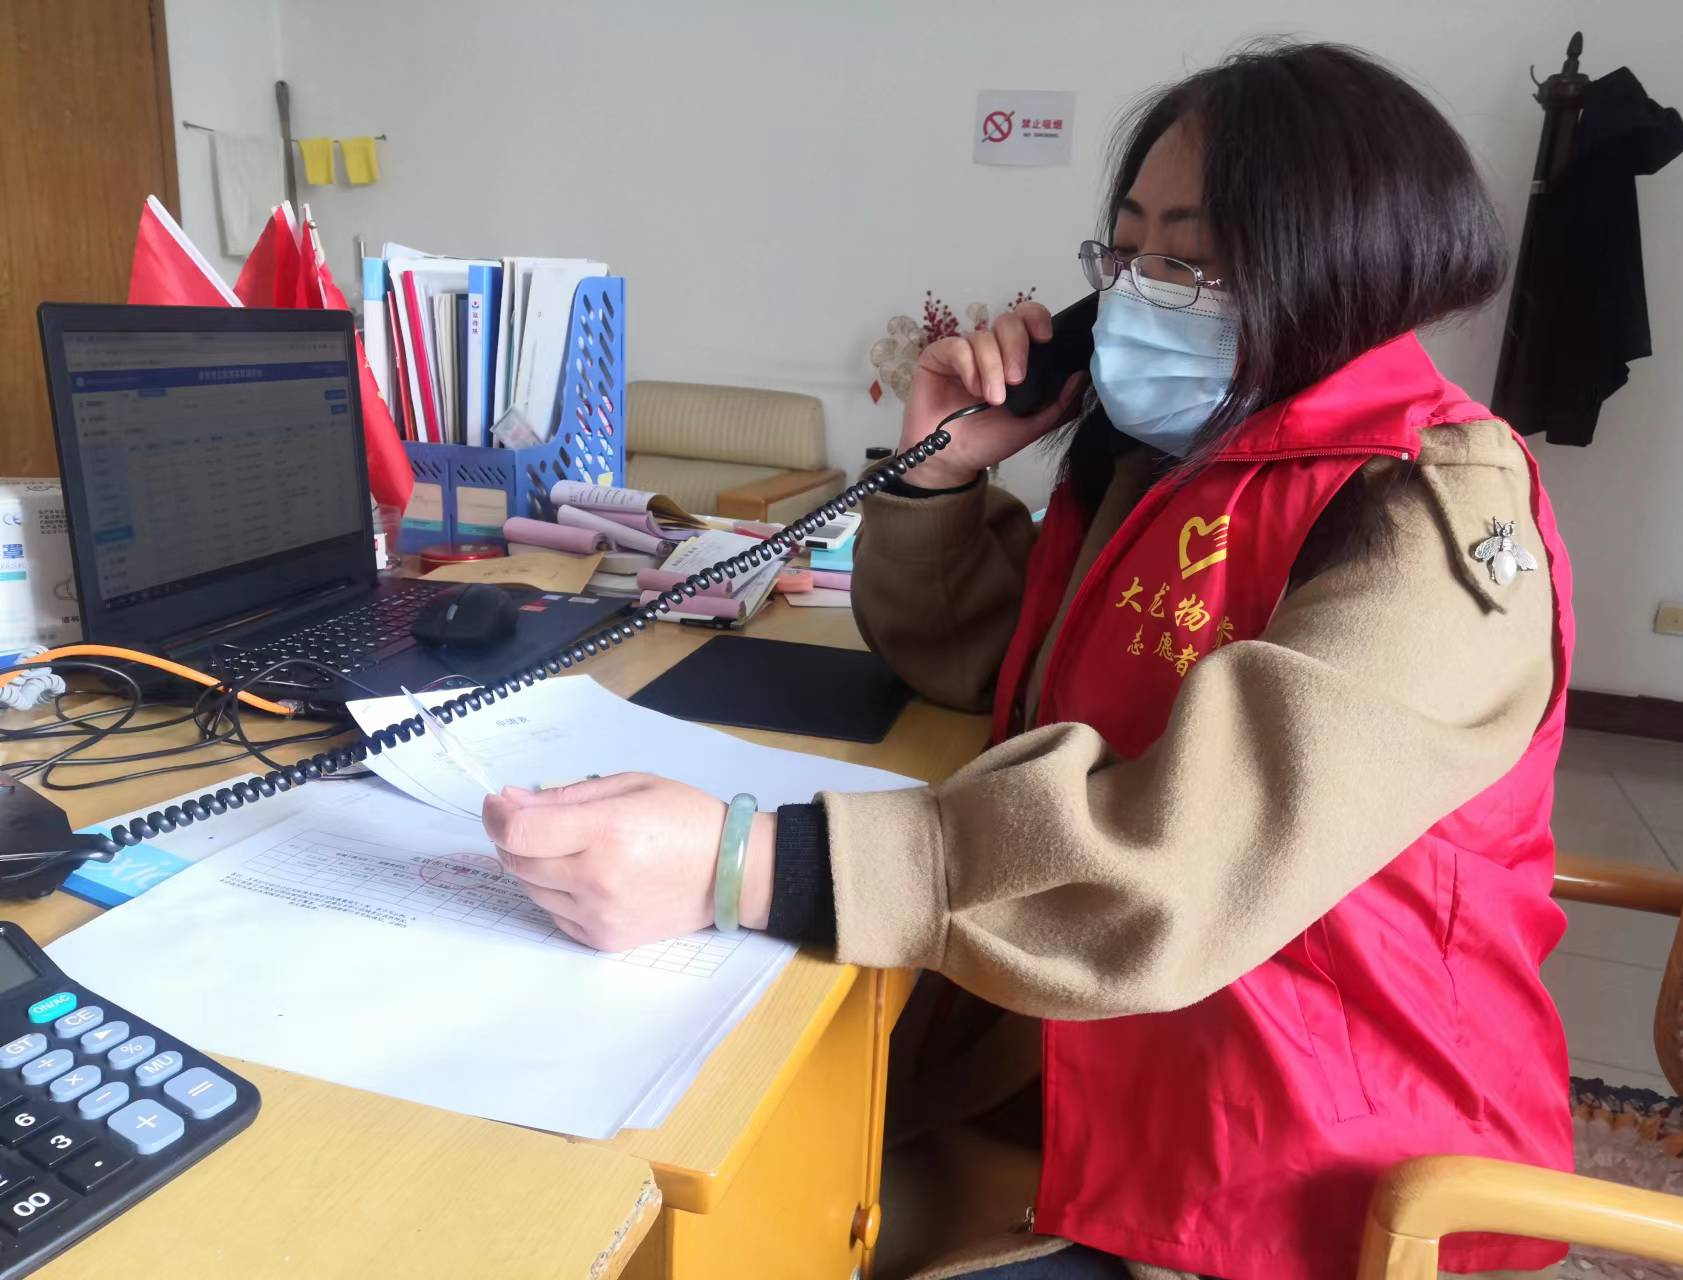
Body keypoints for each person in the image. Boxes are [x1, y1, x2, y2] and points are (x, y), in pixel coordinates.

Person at [484, 41, 1575, 1280]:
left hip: (1300, 1168)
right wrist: (939, 473)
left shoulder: (1423, 515)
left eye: (1187, 259)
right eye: (1125, 254)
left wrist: (747, 861)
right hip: (1092, 1055)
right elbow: (996, 672)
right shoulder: (1179, 463)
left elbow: (1176, 863)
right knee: (686, 1175)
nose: (1138, 295)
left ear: (1338, 267)